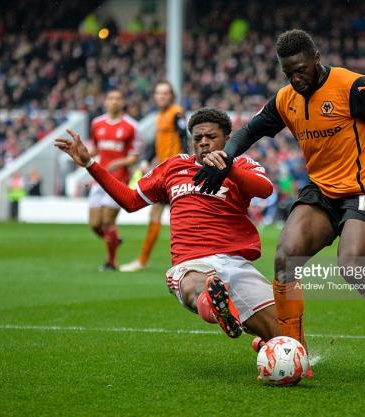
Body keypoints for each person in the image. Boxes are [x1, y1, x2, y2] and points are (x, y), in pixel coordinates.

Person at [194, 29, 365, 378]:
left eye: (301, 69)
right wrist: (225, 157)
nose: (296, 78)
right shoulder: (286, 98)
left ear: (316, 58)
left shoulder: (354, 88)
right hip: (322, 192)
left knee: (352, 266)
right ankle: (293, 349)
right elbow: (250, 130)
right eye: (288, 72)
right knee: (285, 257)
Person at [55, 108, 280, 346]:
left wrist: (228, 168)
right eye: (197, 138)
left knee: (288, 340)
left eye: (211, 137)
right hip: (192, 262)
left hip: (235, 263)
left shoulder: (243, 164)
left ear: (227, 138)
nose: (203, 142)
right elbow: (131, 201)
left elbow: (264, 190)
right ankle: (217, 308)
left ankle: (260, 338)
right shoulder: (174, 167)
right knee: (200, 286)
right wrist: (91, 164)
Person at [120, 80, 188, 272]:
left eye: (165, 93)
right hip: (165, 171)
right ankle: (145, 259)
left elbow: (184, 137)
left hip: (174, 171)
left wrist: (184, 165)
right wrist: (146, 160)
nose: (162, 96)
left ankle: (145, 260)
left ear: (171, 96)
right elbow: (156, 142)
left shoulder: (176, 113)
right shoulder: (161, 116)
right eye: (159, 93)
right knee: (161, 214)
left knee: (176, 216)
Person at [88, 89, 139, 271]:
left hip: (118, 180)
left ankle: (111, 262)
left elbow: (134, 156)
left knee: (108, 222)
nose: (114, 102)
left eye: (118, 98)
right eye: (110, 98)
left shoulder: (131, 126)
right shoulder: (97, 123)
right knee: (94, 224)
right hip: (98, 179)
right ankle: (114, 240)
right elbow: (95, 149)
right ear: (105, 101)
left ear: (123, 102)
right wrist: (80, 152)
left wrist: (118, 162)